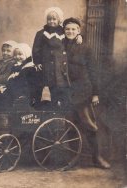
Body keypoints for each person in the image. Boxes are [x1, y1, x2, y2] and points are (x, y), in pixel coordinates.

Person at [63, 17, 111, 169]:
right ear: (64, 31)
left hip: (83, 91)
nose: (70, 31)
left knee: (89, 125)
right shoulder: (60, 46)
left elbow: (93, 71)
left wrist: (95, 93)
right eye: (67, 29)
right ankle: (72, 159)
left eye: (73, 29)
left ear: (78, 31)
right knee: (70, 126)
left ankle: (97, 158)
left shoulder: (86, 48)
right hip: (66, 92)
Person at [32, 7, 82, 110]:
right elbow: (36, 49)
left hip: (61, 64)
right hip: (47, 64)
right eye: (49, 19)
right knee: (50, 87)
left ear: (59, 20)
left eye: (54, 19)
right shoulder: (41, 33)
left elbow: (71, 38)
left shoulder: (63, 32)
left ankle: (63, 110)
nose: (52, 21)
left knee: (62, 87)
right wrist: (37, 62)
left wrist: (79, 36)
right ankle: (51, 108)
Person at [0, 43, 37, 111]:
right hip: (15, 90)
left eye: (20, 54)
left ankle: (5, 117)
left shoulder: (29, 67)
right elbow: (12, 81)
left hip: (24, 92)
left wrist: (8, 86)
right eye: (15, 55)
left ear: (26, 54)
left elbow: (22, 83)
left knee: (3, 97)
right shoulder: (17, 66)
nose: (17, 57)